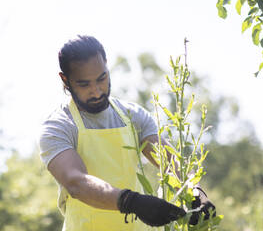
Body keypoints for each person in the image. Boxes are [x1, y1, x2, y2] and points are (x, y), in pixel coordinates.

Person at [39, 35, 215, 231]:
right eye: (84, 84)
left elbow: (169, 162)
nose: (97, 91)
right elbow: (76, 182)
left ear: (106, 66)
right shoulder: (58, 126)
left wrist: (194, 190)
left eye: (102, 79)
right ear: (65, 80)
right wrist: (131, 202)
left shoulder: (133, 116)